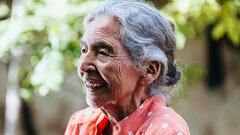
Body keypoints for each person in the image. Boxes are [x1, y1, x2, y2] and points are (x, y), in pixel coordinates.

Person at [65, 0, 191, 134]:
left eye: (102, 53)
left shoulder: (165, 130)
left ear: (149, 70)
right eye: (84, 50)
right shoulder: (81, 124)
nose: (83, 66)